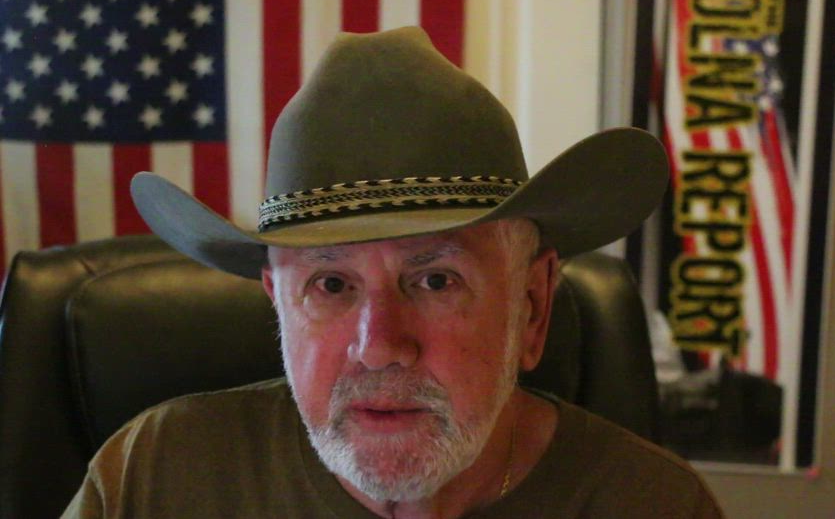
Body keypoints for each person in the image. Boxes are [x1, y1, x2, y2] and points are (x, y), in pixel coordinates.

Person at [63, 27, 723, 518]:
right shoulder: (152, 478)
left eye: (435, 280)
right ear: (278, 305)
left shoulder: (653, 505)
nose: (378, 346)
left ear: (532, 306)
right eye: (331, 285)